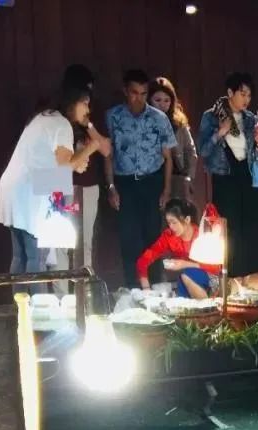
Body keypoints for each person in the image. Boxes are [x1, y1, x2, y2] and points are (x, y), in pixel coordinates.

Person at [0, 82, 106, 279]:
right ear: (72, 103)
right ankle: (36, 298)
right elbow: (64, 166)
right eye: (85, 103)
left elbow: (57, 167)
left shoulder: (43, 117)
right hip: (29, 189)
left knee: (20, 255)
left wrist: (77, 163)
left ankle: (20, 298)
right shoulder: (61, 124)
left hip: (17, 186)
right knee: (35, 257)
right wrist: (91, 148)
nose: (88, 110)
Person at [105, 68, 177, 288]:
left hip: (152, 181)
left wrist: (166, 189)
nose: (139, 98)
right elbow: (108, 154)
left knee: (152, 237)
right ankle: (133, 288)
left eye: (144, 93)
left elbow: (168, 158)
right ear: (125, 91)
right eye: (134, 93)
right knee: (129, 238)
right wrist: (111, 187)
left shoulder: (158, 118)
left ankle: (154, 287)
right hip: (125, 183)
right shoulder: (113, 116)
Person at [196, 71, 258, 279]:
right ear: (230, 92)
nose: (246, 100)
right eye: (242, 94)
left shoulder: (251, 118)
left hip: (247, 173)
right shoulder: (211, 115)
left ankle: (247, 275)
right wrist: (220, 132)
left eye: (249, 95)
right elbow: (203, 150)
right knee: (229, 224)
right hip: (225, 174)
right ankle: (228, 273)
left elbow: (257, 152)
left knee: (250, 222)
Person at [62, 64, 111, 274]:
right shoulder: (57, 114)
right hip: (60, 184)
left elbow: (106, 149)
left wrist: (88, 124)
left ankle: (84, 288)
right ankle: (62, 290)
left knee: (84, 242)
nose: (87, 98)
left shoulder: (92, 111)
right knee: (60, 242)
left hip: (87, 185)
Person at [135, 198, 217, 299]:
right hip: (185, 278)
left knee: (187, 275)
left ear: (187, 220)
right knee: (182, 290)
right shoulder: (169, 236)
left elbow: (215, 267)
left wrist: (184, 264)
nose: (171, 227)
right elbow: (143, 261)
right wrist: (146, 288)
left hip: (209, 277)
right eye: (168, 223)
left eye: (174, 222)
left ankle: (208, 306)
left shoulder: (201, 236)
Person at [150, 77, 197, 204]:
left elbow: (190, 151)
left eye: (167, 100)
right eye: (157, 100)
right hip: (152, 178)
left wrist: (189, 176)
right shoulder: (144, 122)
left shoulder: (178, 122)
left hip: (176, 177)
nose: (162, 105)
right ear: (149, 99)